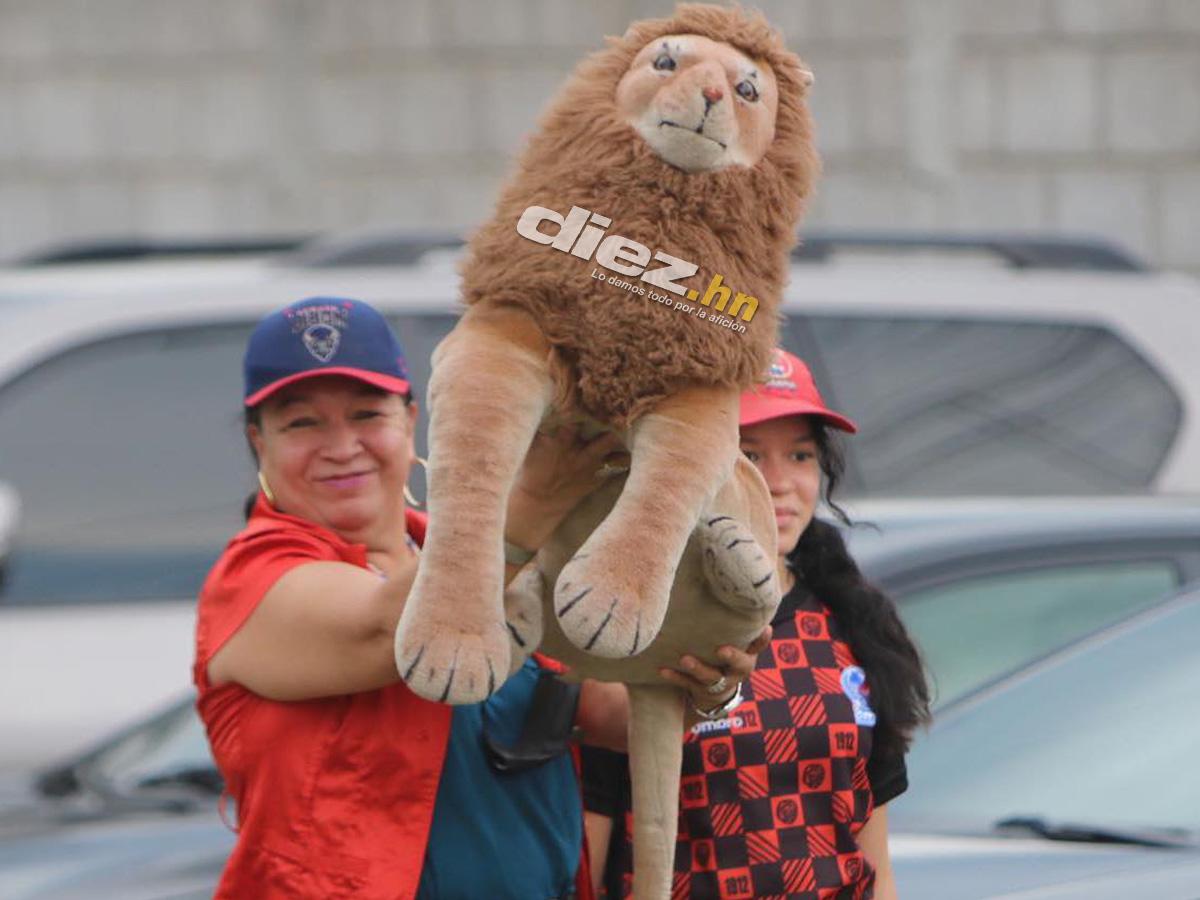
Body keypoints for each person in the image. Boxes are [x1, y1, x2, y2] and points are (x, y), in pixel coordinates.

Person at [195, 296, 636, 900]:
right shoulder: (251, 578)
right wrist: (528, 499)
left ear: (409, 421)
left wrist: (699, 667)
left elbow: (613, 715)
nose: (341, 445)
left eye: (366, 414)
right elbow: (389, 631)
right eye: (302, 423)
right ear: (258, 443)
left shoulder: (488, 550)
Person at [587, 348, 932, 899]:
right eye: (749, 455)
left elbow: (875, 864)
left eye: (800, 456)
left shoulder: (851, 620)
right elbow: (589, 852)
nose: (778, 483)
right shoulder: (640, 624)